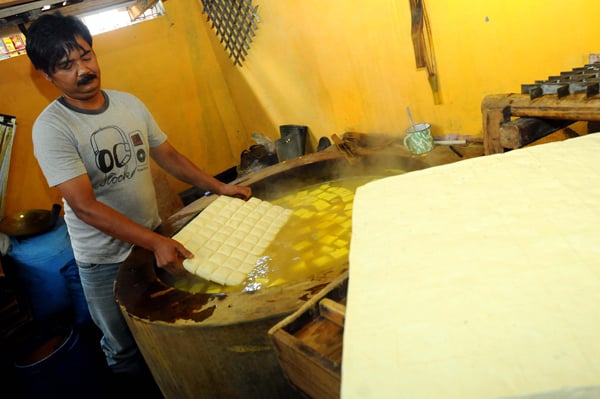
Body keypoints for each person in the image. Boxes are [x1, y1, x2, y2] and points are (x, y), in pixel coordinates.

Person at [25, 11, 251, 391]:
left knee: (169, 321)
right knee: (123, 346)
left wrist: (219, 186)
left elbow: (170, 156)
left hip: (150, 238)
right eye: (66, 65)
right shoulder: (52, 129)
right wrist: (156, 242)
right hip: (104, 260)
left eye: (86, 55)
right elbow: (84, 207)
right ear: (47, 76)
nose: (83, 69)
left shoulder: (129, 104)